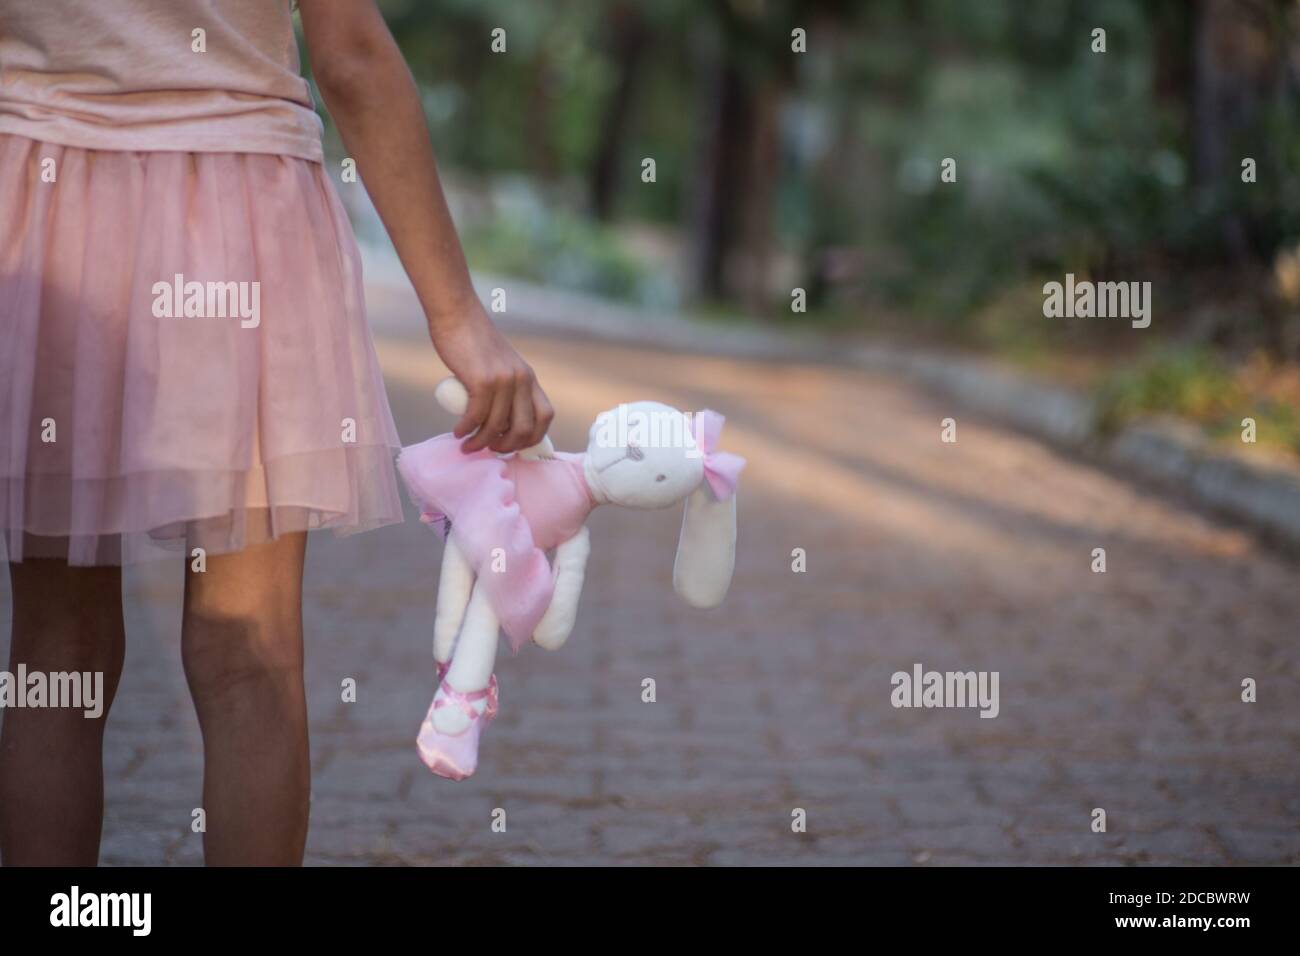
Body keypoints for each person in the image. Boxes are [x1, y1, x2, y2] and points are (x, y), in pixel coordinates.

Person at [0, 0, 552, 865]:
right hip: (239, 210)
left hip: (43, 200)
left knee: (50, 657)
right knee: (246, 654)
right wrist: (457, 316)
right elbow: (353, 57)